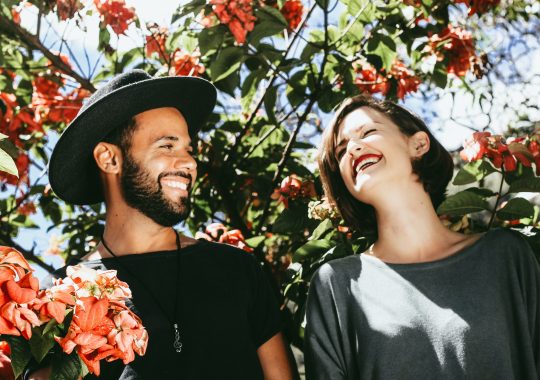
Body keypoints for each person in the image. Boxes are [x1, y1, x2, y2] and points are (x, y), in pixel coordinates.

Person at [28, 70, 295, 379]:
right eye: (167, 146)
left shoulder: (237, 269)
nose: (189, 162)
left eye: (189, 150)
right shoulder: (62, 301)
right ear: (109, 159)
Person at [304, 95, 540, 380]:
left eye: (368, 132)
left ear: (418, 144)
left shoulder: (505, 255)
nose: (353, 148)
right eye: (341, 151)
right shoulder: (337, 284)